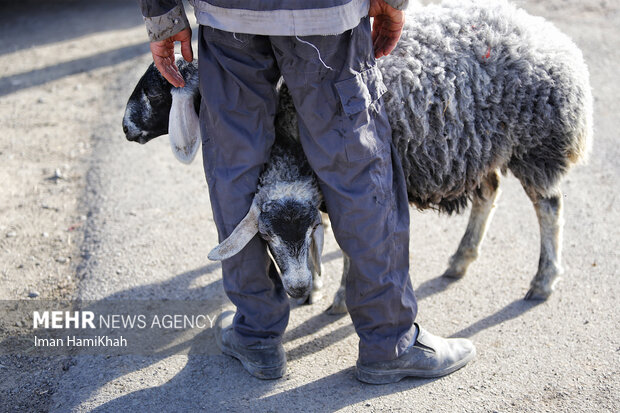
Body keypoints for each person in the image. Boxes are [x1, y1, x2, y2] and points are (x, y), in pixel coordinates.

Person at [138, 0, 476, 384]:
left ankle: (255, 333)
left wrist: (162, 17)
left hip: (229, 15)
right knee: (356, 165)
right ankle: (388, 341)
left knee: (235, 163)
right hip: (324, 16)